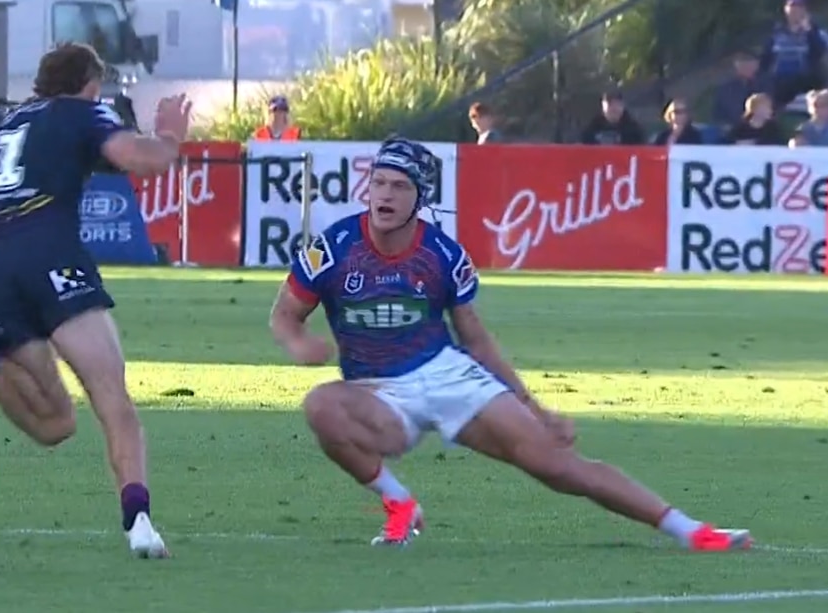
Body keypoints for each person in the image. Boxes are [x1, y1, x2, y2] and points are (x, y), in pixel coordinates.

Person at [268, 137, 752, 551]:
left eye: (400, 186)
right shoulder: (332, 248)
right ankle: (399, 503)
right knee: (321, 406)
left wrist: (535, 408)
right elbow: (285, 314)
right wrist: (299, 344)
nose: (385, 195)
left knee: (558, 467)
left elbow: (475, 338)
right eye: (379, 183)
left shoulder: (443, 254)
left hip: (444, 375)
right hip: (374, 392)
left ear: (420, 198)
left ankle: (691, 531)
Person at [0, 43, 192, 559]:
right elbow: (141, 159)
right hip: (52, 257)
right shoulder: (84, 112)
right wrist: (169, 136)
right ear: (89, 86)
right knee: (111, 399)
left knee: (56, 425)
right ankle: (137, 521)